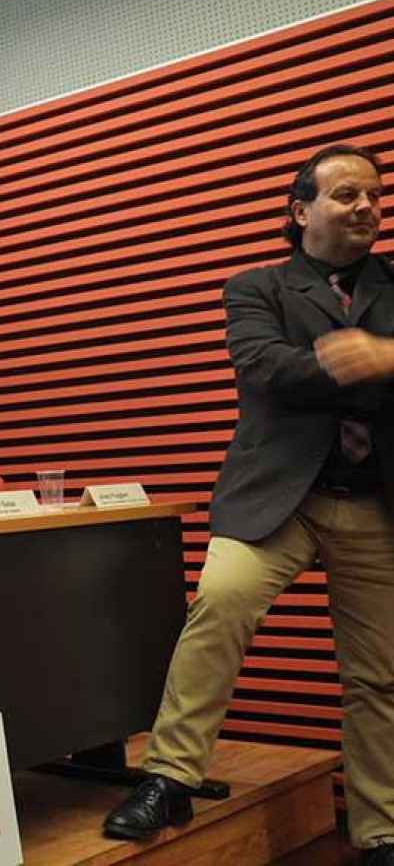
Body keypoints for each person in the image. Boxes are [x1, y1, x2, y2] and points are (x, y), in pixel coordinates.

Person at [103, 144, 394, 863]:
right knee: (219, 606)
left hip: (373, 502)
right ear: (300, 212)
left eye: (374, 196)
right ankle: (169, 778)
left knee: (379, 675)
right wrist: (351, 360)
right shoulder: (254, 286)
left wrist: (385, 357)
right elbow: (265, 369)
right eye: (346, 194)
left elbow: (327, 368)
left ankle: (381, 827)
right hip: (276, 499)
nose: (365, 206)